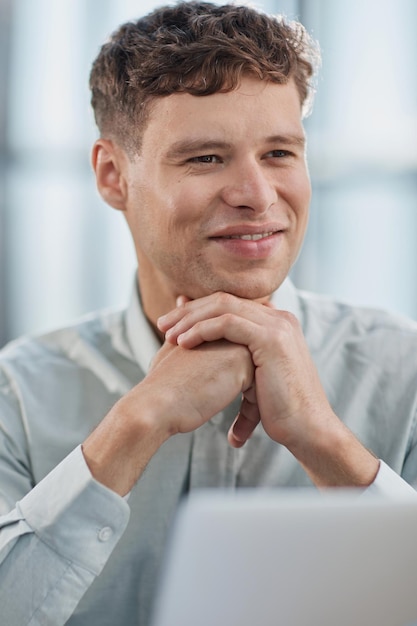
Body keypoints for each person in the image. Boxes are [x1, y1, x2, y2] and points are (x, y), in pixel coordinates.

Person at [1, 1, 417, 624]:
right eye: (205, 158)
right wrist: (135, 424)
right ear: (113, 175)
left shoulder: (403, 370)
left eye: (279, 153)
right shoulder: (19, 392)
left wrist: (328, 446)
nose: (256, 195)